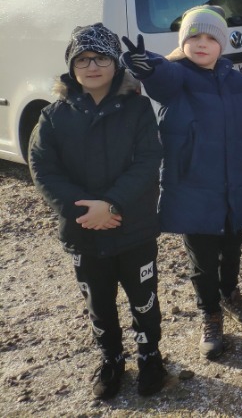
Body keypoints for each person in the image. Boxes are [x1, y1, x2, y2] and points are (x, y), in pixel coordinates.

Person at [120, 6, 242, 360]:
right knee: (202, 260)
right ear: (183, 43)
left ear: (222, 44)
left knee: (232, 247)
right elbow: (160, 76)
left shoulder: (236, 81)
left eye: (210, 38)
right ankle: (210, 313)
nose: (202, 44)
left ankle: (229, 293)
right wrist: (145, 66)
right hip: (192, 186)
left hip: (233, 184)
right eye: (194, 37)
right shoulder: (177, 77)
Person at [29, 24, 167, 399]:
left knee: (144, 299)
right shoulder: (54, 115)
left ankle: (150, 356)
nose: (92, 66)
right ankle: (111, 360)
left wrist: (111, 204)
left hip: (133, 227)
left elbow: (148, 160)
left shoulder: (138, 108)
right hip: (84, 232)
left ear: (116, 63)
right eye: (83, 59)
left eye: (102, 57)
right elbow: (43, 169)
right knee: (99, 303)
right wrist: (85, 211)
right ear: (71, 66)